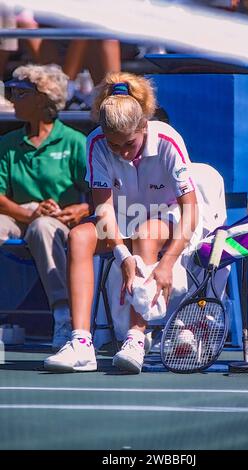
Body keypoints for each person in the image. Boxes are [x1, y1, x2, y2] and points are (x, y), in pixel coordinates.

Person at [44, 71, 202, 374]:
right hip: (119, 219)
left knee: (146, 233)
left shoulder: (169, 140)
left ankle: (136, 338)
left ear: (143, 126)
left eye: (128, 144)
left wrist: (168, 262)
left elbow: (191, 210)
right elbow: (102, 208)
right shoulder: (96, 143)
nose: (123, 153)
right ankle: (81, 343)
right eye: (114, 147)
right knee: (78, 236)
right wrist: (123, 255)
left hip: (166, 218)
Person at [0, 64, 90, 350]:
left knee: (42, 227)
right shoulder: (8, 143)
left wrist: (80, 210)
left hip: (59, 220)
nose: (12, 98)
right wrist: (29, 212)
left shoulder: (75, 142)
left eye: (20, 92)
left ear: (42, 98)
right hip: (19, 214)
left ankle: (64, 315)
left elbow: (97, 193)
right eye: (10, 91)